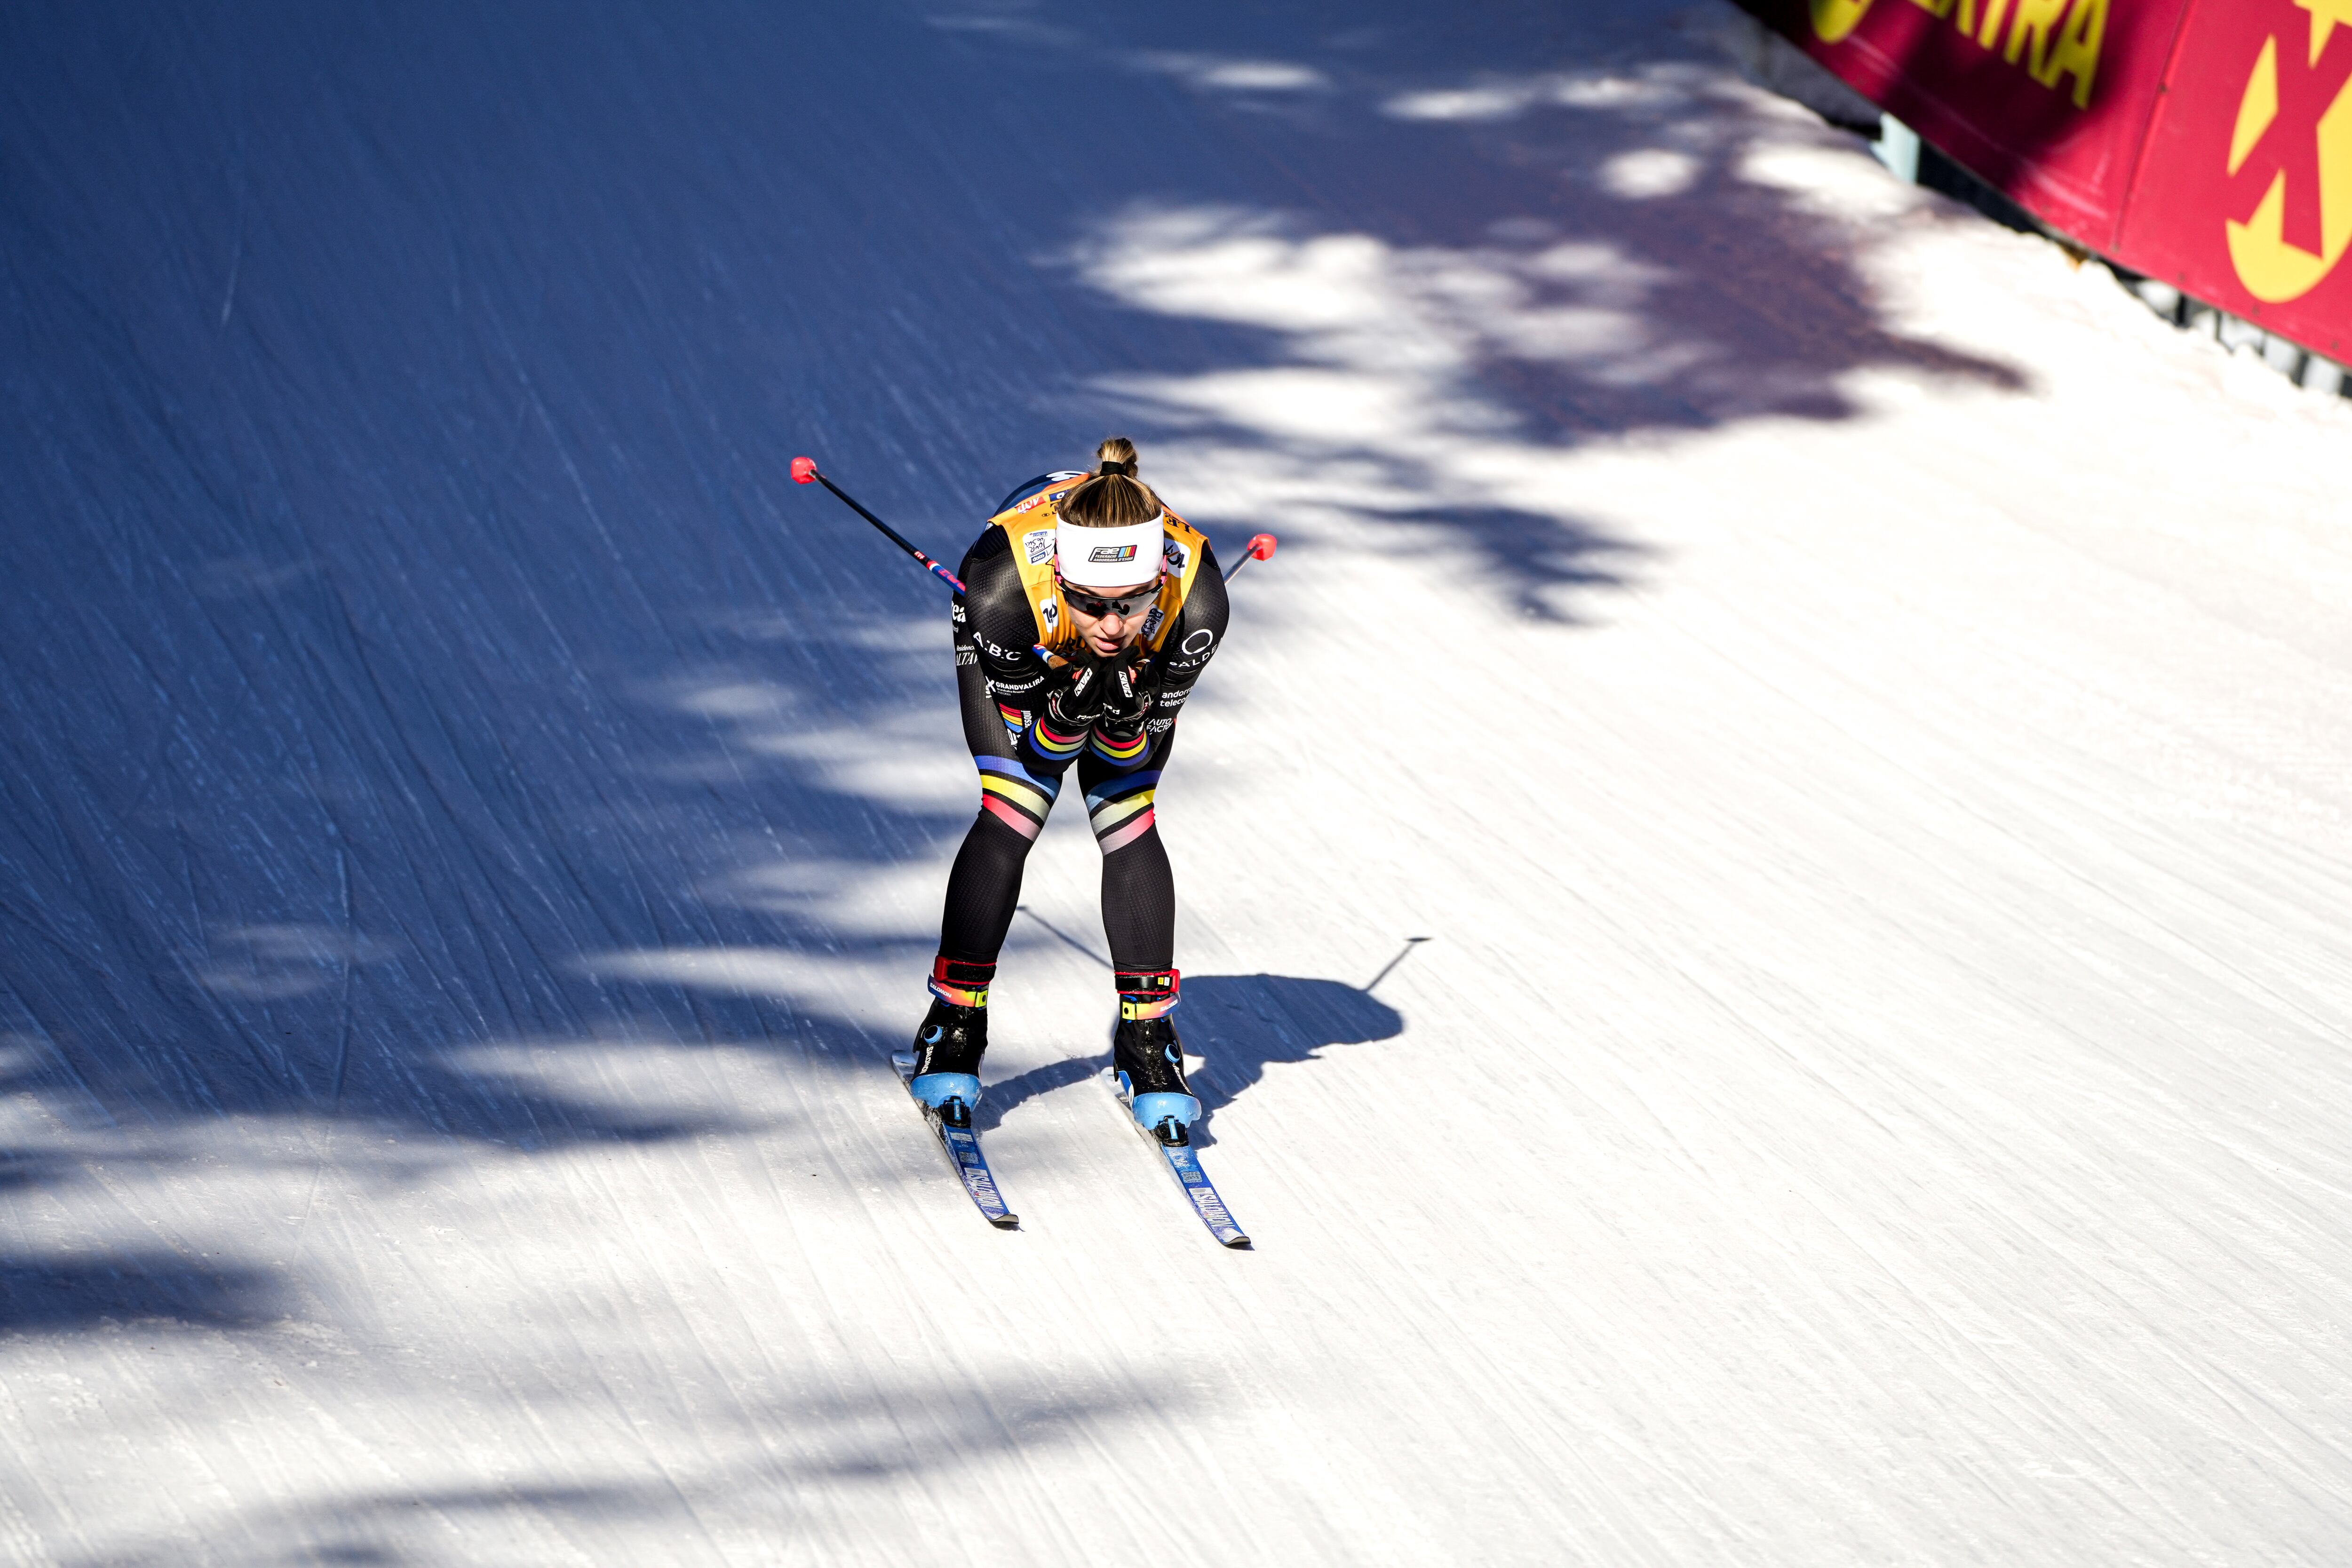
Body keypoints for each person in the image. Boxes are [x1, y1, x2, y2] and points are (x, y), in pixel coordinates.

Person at [905, 437, 1229, 1143]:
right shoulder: (999, 589)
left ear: (1159, 581)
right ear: (1062, 577)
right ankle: (955, 1023)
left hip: (1092, 646)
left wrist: (1121, 711)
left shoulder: (1198, 600)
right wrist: (1067, 711)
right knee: (1015, 807)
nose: (1113, 626)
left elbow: (1130, 749)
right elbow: (1038, 748)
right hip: (1023, 632)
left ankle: (1147, 1037)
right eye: (1091, 604)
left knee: (1128, 810)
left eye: (1134, 601)